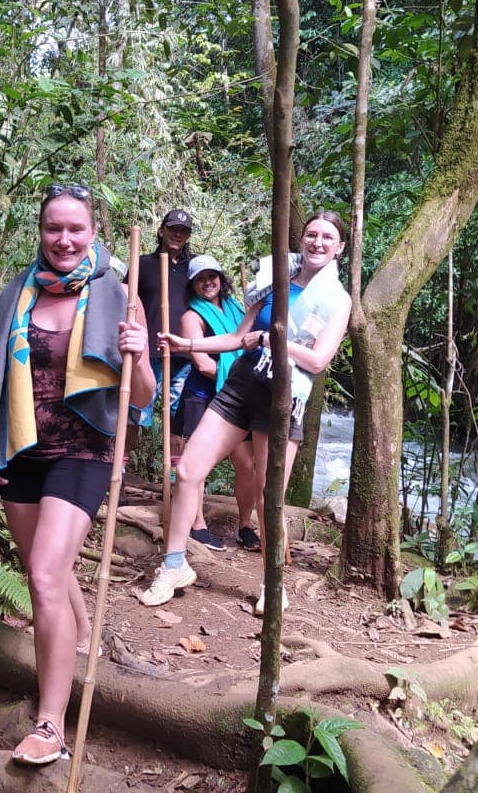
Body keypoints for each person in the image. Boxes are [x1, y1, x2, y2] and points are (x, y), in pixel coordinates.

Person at [0, 183, 154, 766]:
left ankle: (50, 724)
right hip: (22, 449)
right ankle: (81, 642)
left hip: (84, 453)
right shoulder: (17, 294)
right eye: (55, 228)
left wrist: (139, 351)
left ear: (93, 233)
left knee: (47, 575)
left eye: (76, 229)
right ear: (41, 232)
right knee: (39, 570)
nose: (65, 239)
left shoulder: (118, 296)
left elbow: (143, 398)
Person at [139, 211, 351, 614]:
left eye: (327, 237)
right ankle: (174, 565)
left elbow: (320, 360)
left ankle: (273, 583)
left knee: (268, 496)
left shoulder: (338, 300)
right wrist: (186, 344)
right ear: (302, 239)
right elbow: (238, 338)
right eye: (311, 234)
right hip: (241, 386)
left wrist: (274, 340)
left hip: (282, 397)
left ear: (339, 246)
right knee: (188, 471)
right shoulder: (276, 282)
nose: (317, 242)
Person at [174, 254, 258, 553]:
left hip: (239, 396)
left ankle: (245, 525)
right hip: (204, 395)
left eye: (213, 276)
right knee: (197, 465)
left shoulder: (237, 308)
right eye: (201, 278)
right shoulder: (191, 317)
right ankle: (197, 525)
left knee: (247, 465)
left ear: (221, 279)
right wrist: (239, 378)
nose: (208, 282)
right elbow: (202, 363)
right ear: (193, 285)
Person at [126, 208, 195, 441]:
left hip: (184, 351)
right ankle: (122, 467)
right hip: (149, 349)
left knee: (180, 411)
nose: (178, 234)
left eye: (183, 231)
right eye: (173, 229)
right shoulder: (143, 264)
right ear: (161, 230)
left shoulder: (196, 268)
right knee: (138, 405)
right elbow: (127, 299)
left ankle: (175, 472)